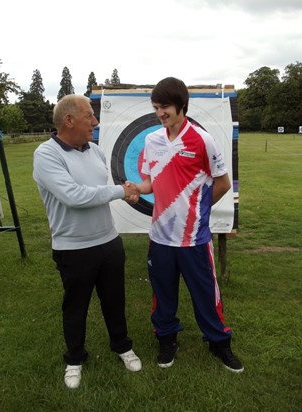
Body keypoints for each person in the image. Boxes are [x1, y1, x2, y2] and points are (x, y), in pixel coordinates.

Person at [33, 94, 142, 389]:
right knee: (75, 307)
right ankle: (74, 359)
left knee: (114, 301)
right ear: (68, 120)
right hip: (73, 248)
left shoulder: (96, 151)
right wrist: (122, 191)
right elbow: (74, 196)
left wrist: (119, 190)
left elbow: (96, 190)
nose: (95, 122)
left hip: (108, 242)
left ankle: (122, 346)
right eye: (88, 117)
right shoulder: (46, 154)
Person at [136, 77, 244, 373]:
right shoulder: (151, 140)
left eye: (165, 107)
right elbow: (150, 182)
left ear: (182, 105)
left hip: (194, 239)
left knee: (206, 295)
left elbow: (221, 182)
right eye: (156, 107)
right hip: (160, 237)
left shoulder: (202, 140)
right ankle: (167, 339)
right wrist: (136, 187)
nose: (160, 113)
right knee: (163, 295)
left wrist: (198, 210)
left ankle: (219, 344)